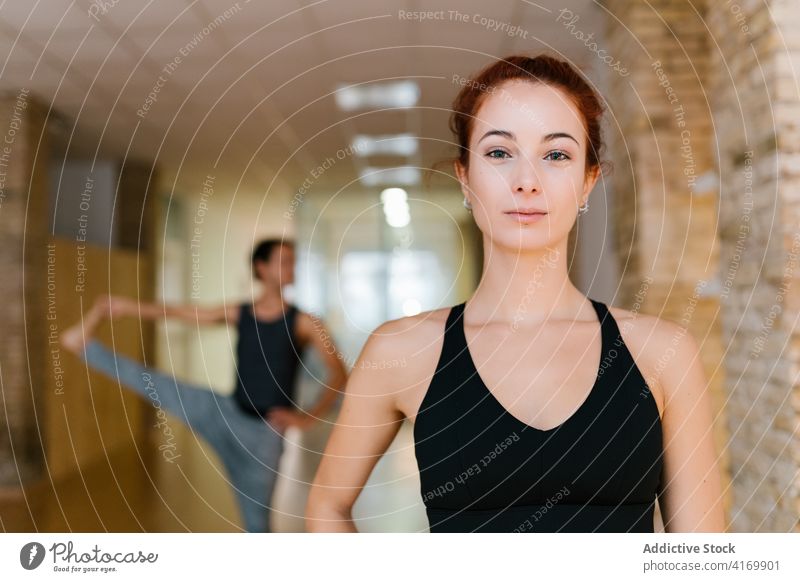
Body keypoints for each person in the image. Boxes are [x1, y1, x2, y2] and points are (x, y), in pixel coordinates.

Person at [305, 54, 725, 533]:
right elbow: (327, 507)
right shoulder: (402, 351)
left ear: (588, 182)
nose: (526, 182)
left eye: (557, 155)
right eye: (500, 153)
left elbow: (702, 555)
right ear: (465, 177)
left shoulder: (663, 353)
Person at [60, 238, 347, 532]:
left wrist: (306, 419)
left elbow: (339, 373)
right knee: (161, 386)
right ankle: (86, 348)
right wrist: (126, 307)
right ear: (262, 268)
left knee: (257, 525)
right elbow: (181, 313)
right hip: (225, 413)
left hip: (265, 436)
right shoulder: (240, 312)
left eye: (293, 261)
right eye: (284, 261)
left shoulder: (307, 322)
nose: (292, 268)